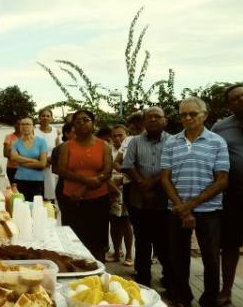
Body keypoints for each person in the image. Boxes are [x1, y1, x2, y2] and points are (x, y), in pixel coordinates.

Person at [160, 97, 229, 307]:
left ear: (205, 115)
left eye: (193, 114)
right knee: (178, 258)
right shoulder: (171, 142)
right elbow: (165, 178)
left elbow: (222, 181)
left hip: (209, 211)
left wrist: (188, 206)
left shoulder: (217, 142)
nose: (187, 118)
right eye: (183, 114)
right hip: (177, 210)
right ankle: (183, 298)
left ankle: (209, 300)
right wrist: (183, 209)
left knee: (210, 258)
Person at [121, 107, 174, 290]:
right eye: (148, 117)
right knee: (142, 240)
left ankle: (169, 279)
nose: (152, 120)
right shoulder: (135, 141)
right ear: (143, 122)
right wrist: (143, 185)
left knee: (164, 242)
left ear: (165, 121)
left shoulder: (175, 141)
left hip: (166, 201)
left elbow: (175, 167)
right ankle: (143, 279)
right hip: (139, 200)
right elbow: (127, 165)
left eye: (157, 117)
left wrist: (151, 183)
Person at [57, 110, 112, 262]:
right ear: (73, 126)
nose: (82, 123)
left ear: (93, 123)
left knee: (97, 242)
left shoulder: (104, 146)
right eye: (77, 121)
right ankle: (74, 274)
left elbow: (107, 171)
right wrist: (87, 181)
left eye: (86, 119)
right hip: (72, 199)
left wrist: (83, 187)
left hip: (98, 199)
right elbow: (62, 170)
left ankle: (98, 275)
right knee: (73, 240)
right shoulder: (66, 146)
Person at [211, 83, 243, 306]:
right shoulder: (220, 128)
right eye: (235, 98)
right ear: (229, 104)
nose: (241, 99)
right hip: (233, 198)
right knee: (230, 246)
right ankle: (226, 290)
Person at [107, 124, 133, 267]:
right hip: (111, 192)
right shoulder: (108, 151)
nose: (117, 138)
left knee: (126, 224)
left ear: (127, 135)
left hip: (127, 189)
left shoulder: (130, 149)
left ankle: (129, 254)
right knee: (114, 223)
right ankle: (116, 252)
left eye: (120, 135)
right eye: (114, 135)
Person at [11, 116, 48, 201]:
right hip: (20, 179)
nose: (25, 126)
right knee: (21, 207)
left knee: (36, 208)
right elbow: (14, 157)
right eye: (22, 124)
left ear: (33, 127)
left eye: (28, 124)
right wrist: (34, 160)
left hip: (37, 180)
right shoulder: (15, 143)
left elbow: (42, 164)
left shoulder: (41, 142)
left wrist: (21, 162)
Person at [51, 122, 75, 223]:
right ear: (66, 134)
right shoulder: (59, 149)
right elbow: (55, 169)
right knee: (67, 218)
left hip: (84, 188)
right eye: (74, 132)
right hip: (64, 187)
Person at [34, 108, 60, 201]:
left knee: (51, 194)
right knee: (38, 194)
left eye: (48, 116)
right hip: (37, 165)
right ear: (39, 118)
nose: (45, 118)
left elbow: (58, 150)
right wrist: (41, 162)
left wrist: (50, 161)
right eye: (43, 115)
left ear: (52, 118)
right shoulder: (34, 131)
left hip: (51, 166)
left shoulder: (56, 131)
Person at [3, 118, 21, 184]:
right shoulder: (9, 137)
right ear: (14, 125)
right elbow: (5, 153)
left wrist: (13, 152)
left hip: (25, 169)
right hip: (12, 169)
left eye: (21, 124)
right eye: (17, 124)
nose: (19, 126)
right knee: (14, 189)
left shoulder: (27, 137)